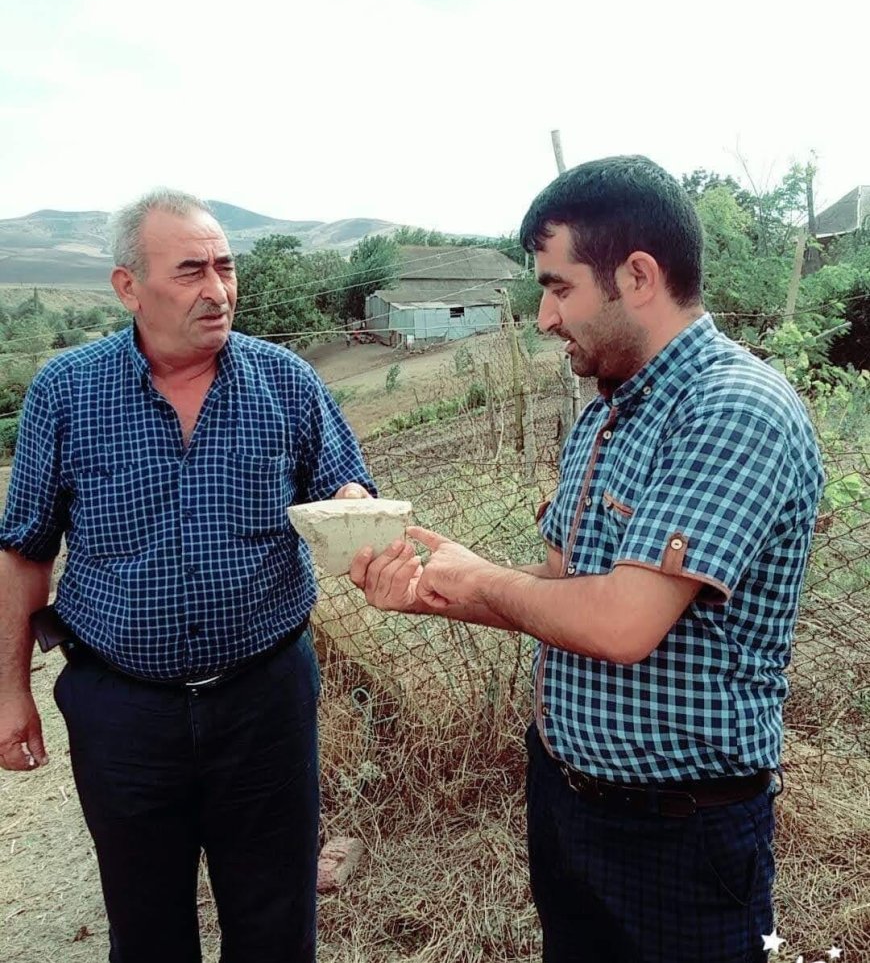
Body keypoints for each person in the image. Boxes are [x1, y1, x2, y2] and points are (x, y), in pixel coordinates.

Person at [350, 156, 824, 963]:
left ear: (637, 276)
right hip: (570, 805)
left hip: (682, 835)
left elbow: (620, 624)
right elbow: (564, 590)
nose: (543, 317)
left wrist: (479, 579)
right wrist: (435, 587)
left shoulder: (734, 409)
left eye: (558, 287)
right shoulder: (607, 415)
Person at [0, 188, 375, 963]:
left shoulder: (286, 381)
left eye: (225, 267)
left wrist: (352, 504)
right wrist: (9, 694)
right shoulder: (66, 393)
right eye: (191, 271)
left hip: (265, 699)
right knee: (147, 932)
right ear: (128, 287)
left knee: (276, 928)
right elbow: (24, 551)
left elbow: (346, 484)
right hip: (122, 711)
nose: (218, 289)